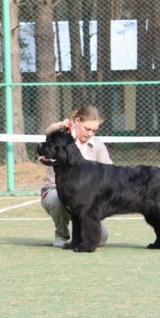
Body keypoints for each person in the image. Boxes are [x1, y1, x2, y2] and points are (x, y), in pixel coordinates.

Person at [40, 105, 111, 248]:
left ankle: (81, 236)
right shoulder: (61, 136)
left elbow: (108, 171)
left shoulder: (98, 145)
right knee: (56, 198)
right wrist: (61, 125)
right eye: (87, 129)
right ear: (77, 121)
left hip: (85, 198)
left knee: (101, 238)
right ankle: (61, 235)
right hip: (56, 190)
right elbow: (48, 132)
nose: (90, 133)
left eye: (94, 130)